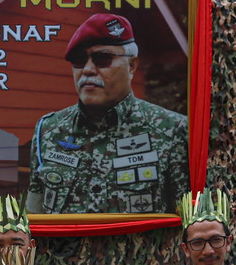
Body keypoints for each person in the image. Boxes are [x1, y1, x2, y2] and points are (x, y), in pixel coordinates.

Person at [25, 13, 189, 215]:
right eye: (78, 61)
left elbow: (187, 223)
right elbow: (35, 217)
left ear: (132, 66)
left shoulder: (172, 131)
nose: (87, 70)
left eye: (102, 59)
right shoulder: (49, 131)